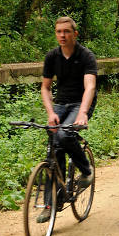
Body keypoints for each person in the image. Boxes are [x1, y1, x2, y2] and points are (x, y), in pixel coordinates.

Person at [37, 16, 98, 222]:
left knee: (64, 134)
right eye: (58, 32)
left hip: (80, 103)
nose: (62, 35)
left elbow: (90, 86)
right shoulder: (52, 57)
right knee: (54, 144)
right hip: (61, 104)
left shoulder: (86, 56)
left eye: (66, 31)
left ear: (75, 34)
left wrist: (83, 112)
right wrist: (50, 112)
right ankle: (52, 202)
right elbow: (45, 88)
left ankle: (86, 170)